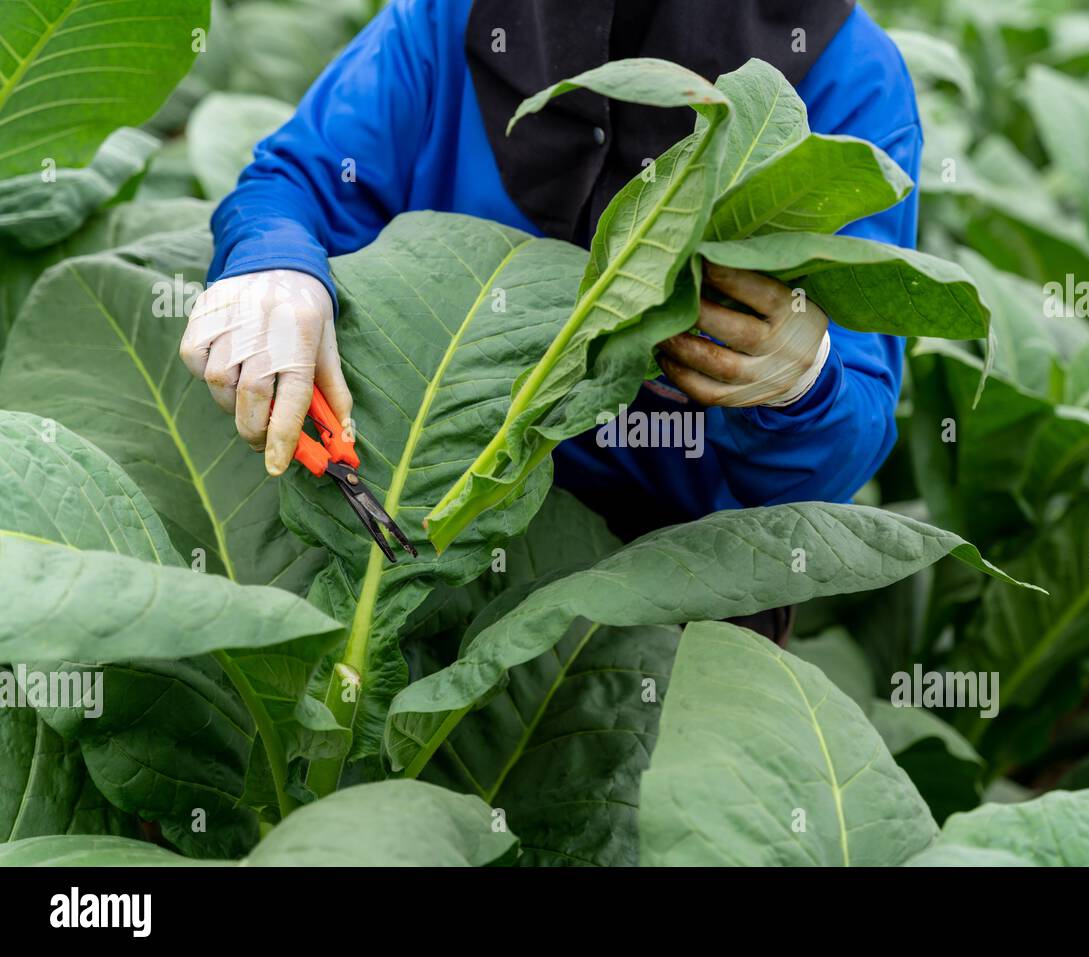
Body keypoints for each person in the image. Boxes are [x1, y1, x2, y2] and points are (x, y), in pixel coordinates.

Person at [179, 0, 922, 635]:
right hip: (408, 537)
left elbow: (840, 456)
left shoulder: (849, 73)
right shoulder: (456, 14)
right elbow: (296, 179)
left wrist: (802, 382)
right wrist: (272, 265)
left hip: (669, 612)